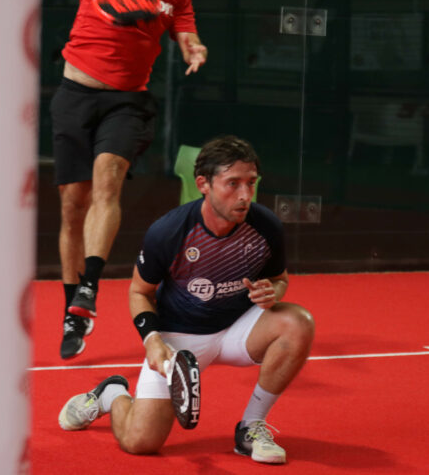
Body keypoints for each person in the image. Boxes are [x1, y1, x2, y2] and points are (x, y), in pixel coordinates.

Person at [57, 136, 315, 464]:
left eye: (251, 183)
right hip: (179, 340)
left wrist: (272, 293)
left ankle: (250, 427)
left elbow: (280, 280)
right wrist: (152, 341)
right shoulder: (169, 232)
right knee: (140, 442)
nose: (245, 195)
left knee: (297, 323)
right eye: (232, 184)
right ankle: (113, 394)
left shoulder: (265, 227)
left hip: (238, 329)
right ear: (202, 184)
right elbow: (139, 292)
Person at [52, 0, 208, 359]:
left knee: (107, 183)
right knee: (71, 206)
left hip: (127, 103)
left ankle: (90, 287)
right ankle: (73, 313)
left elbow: (186, 33)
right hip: (74, 94)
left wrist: (194, 48)